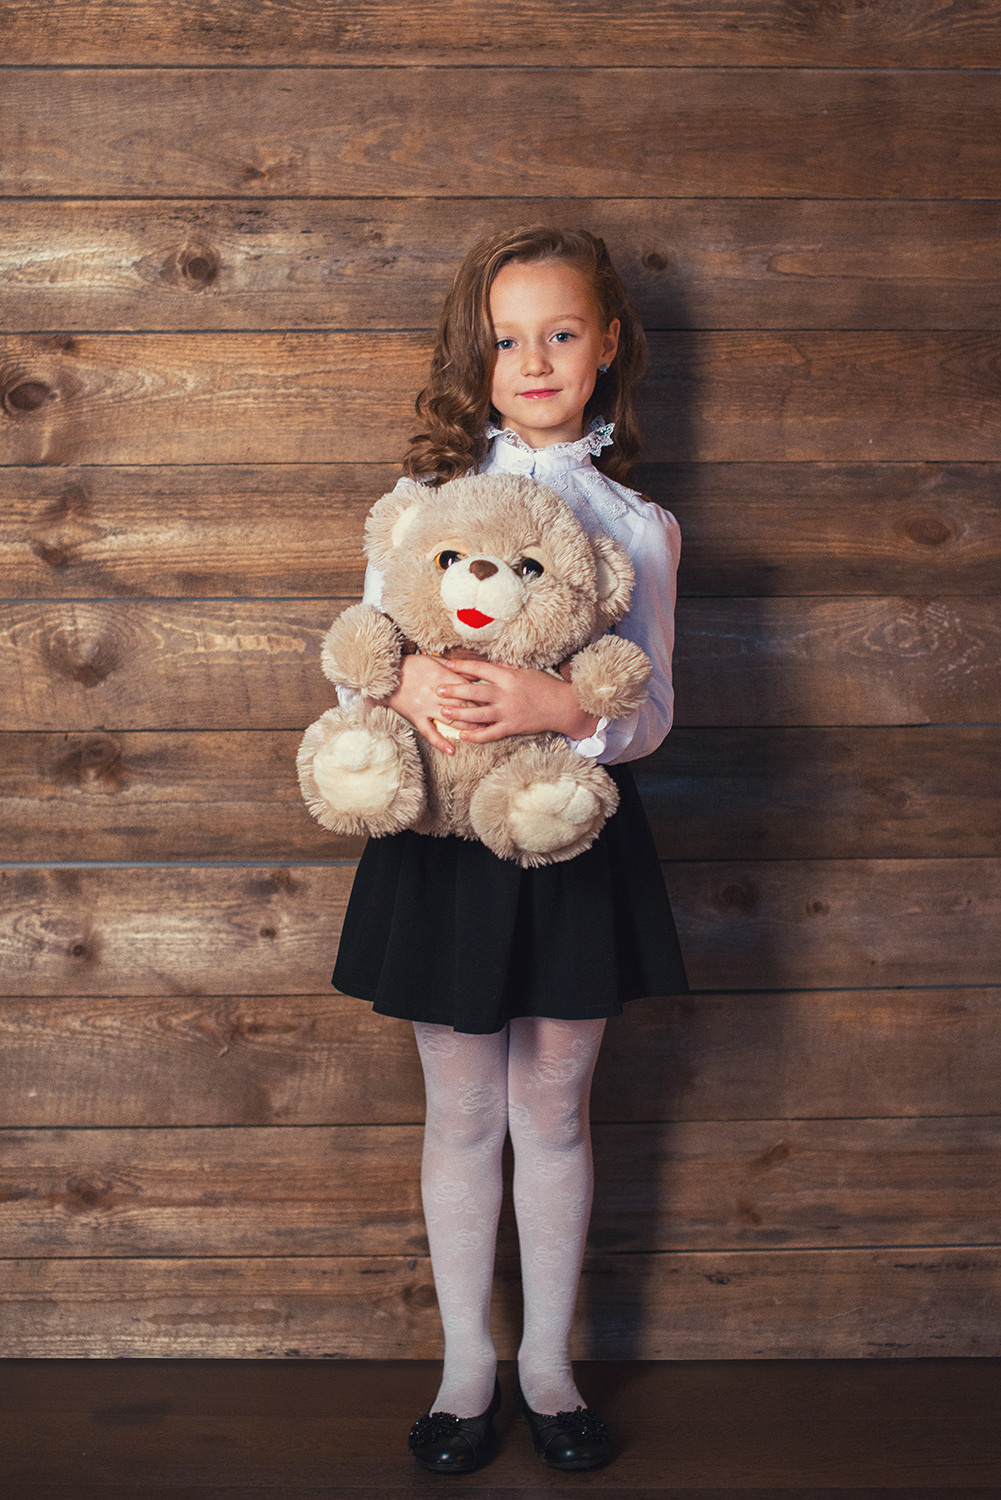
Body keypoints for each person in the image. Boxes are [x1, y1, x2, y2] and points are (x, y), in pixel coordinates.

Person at [330, 225, 688, 1474]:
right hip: (442, 842)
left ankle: (547, 1368)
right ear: (470, 356)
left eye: (559, 334)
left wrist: (562, 711)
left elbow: (648, 710)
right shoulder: (415, 511)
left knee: (552, 1103)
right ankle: (464, 1373)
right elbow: (358, 661)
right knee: (463, 1109)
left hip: (569, 833)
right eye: (504, 338)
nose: (531, 359)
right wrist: (410, 679)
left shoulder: (638, 527)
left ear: (603, 351)